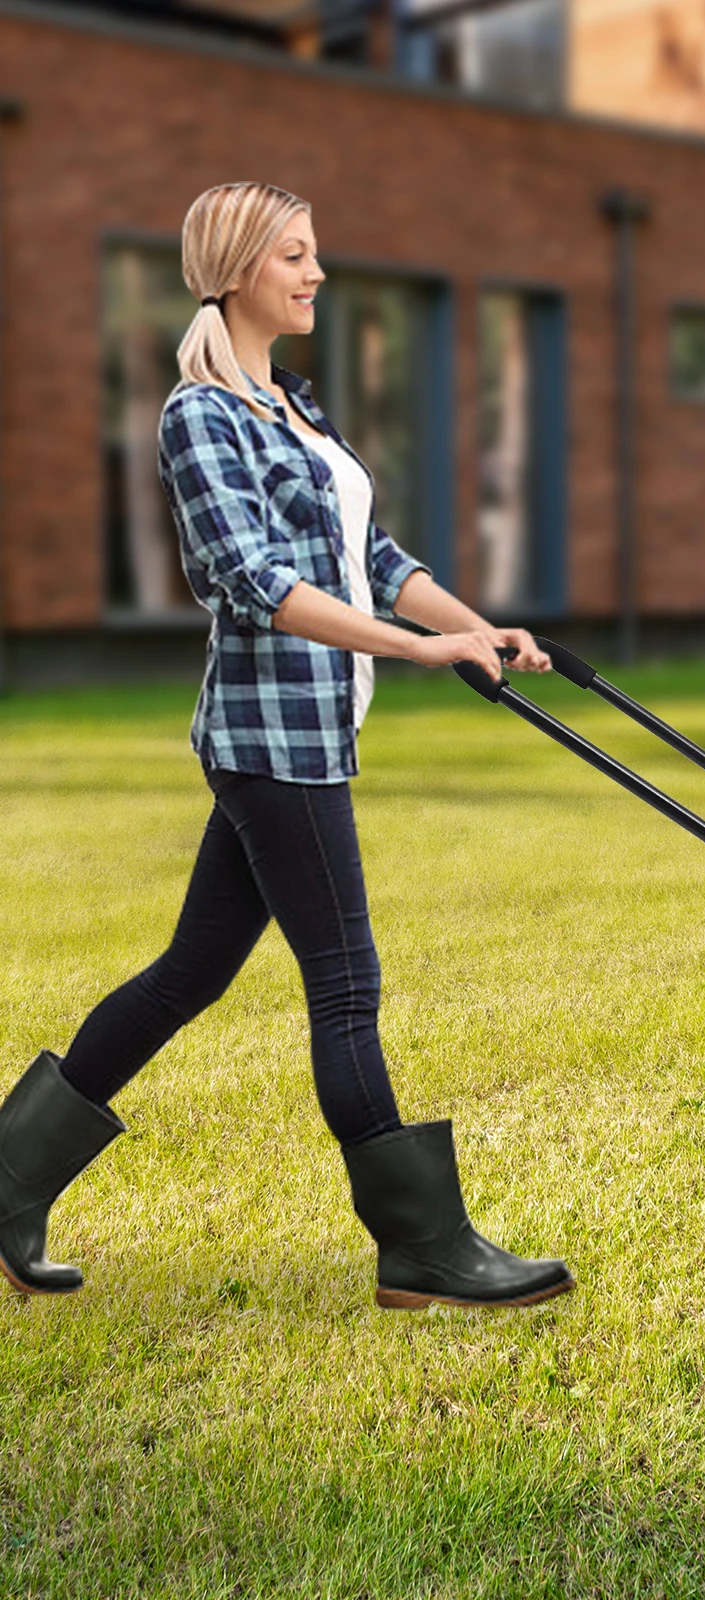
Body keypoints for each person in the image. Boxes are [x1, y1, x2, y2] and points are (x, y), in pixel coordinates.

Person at [0, 182, 572, 1310]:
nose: (315, 274)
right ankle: (421, 1248)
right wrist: (412, 652)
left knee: (187, 975)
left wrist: (467, 626)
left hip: (309, 733)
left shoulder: (293, 407)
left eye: (316, 254)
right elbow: (253, 582)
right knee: (346, 987)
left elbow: (378, 553)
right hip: (273, 741)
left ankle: (4, 1180)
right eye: (294, 256)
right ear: (237, 268)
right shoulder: (198, 414)